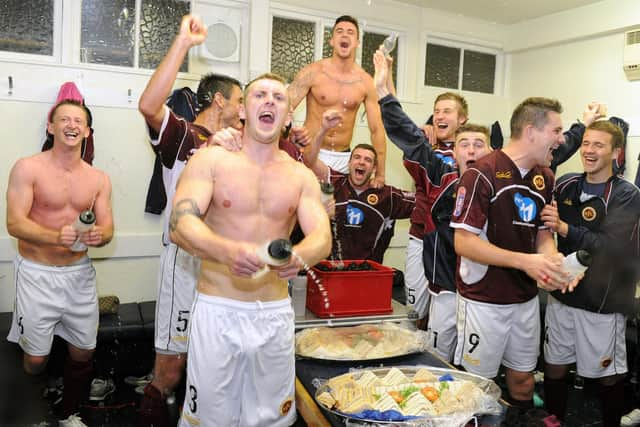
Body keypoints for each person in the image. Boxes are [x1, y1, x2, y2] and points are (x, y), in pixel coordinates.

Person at [169, 73, 331, 427]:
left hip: (273, 314)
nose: (269, 101)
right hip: (218, 309)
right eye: (260, 95)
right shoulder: (212, 160)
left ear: (288, 116)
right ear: (243, 109)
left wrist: (303, 255)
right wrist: (225, 251)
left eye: (278, 97)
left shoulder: (300, 175)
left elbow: (322, 234)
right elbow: (180, 223)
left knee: (272, 421)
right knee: (209, 422)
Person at [137, 15, 244, 426]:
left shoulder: (239, 149)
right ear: (220, 101)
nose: (243, 108)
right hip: (183, 262)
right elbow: (148, 106)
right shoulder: (185, 136)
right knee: (170, 369)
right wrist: (183, 43)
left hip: (220, 266)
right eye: (239, 101)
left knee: (214, 365)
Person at [450, 97, 581, 414]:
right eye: (557, 130)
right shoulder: (481, 174)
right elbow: (464, 243)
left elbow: (542, 235)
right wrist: (526, 262)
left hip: (524, 300)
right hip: (484, 300)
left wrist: (552, 264)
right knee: (476, 387)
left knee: (523, 382)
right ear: (531, 131)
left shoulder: (545, 177)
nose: (562, 140)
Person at [6, 99, 113, 427]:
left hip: (79, 275)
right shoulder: (28, 167)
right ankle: (32, 409)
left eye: (79, 121)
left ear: (87, 131)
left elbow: (108, 227)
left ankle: (68, 412)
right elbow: (14, 223)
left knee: (83, 351)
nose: (72, 125)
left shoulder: (98, 178)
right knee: (35, 359)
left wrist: (100, 237)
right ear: (51, 127)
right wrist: (56, 237)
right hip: (37, 273)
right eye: (64, 119)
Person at [540, 120, 640, 427]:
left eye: (599, 145)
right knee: (555, 367)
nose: (589, 151)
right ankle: (553, 421)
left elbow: (612, 247)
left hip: (602, 301)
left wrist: (565, 227)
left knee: (607, 375)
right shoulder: (567, 184)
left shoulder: (627, 194)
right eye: (586, 143)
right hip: (563, 295)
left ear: (616, 152)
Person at [288, 15, 387, 187]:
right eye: (339, 31)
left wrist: (380, 173)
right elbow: (284, 109)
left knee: (336, 211)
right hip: (310, 151)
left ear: (357, 42)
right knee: (303, 207)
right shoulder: (312, 72)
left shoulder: (365, 82)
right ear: (332, 40)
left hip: (343, 158)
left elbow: (377, 129)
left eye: (350, 32)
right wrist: (288, 136)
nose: (344, 35)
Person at [306, 112, 415, 262]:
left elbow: (424, 200)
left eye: (368, 160)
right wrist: (323, 130)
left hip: (367, 274)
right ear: (349, 163)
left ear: (374, 168)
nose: (361, 162)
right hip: (330, 270)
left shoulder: (387, 195)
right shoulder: (335, 182)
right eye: (357, 157)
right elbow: (310, 161)